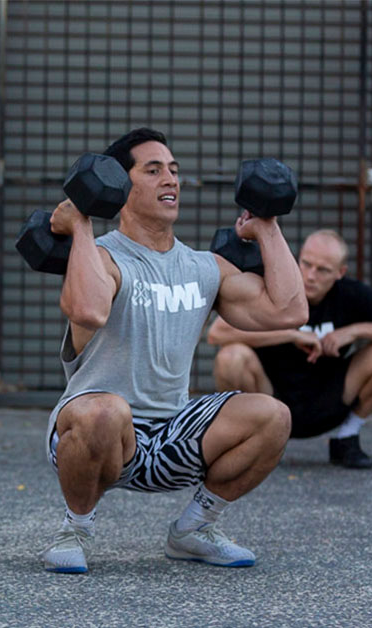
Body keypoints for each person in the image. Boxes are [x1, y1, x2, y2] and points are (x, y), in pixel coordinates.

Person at [39, 128, 308, 574]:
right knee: (106, 412)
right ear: (121, 187)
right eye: (154, 170)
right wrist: (82, 222)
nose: (171, 180)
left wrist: (267, 226)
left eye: (175, 170)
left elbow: (289, 310)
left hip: (172, 438)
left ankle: (194, 529)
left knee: (273, 416)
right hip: (99, 434)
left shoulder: (204, 268)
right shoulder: (102, 258)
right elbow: (87, 309)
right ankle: (75, 530)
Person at [207, 229, 372, 469]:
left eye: (323, 270)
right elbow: (217, 333)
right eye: (306, 264)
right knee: (230, 358)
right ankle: (256, 443)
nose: (311, 276)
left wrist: (354, 332)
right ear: (297, 259)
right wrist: (291, 334)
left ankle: (347, 435)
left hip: (329, 399)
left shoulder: (350, 294)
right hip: (271, 398)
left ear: (340, 273)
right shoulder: (274, 288)